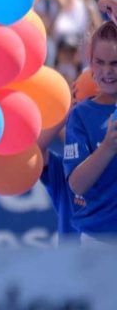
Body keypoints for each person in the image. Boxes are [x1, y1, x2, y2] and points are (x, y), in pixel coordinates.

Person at [64, 20, 117, 244]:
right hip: (98, 241)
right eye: (100, 62)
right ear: (90, 64)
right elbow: (76, 184)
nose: (107, 71)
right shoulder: (80, 116)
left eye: (115, 63)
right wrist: (107, 149)